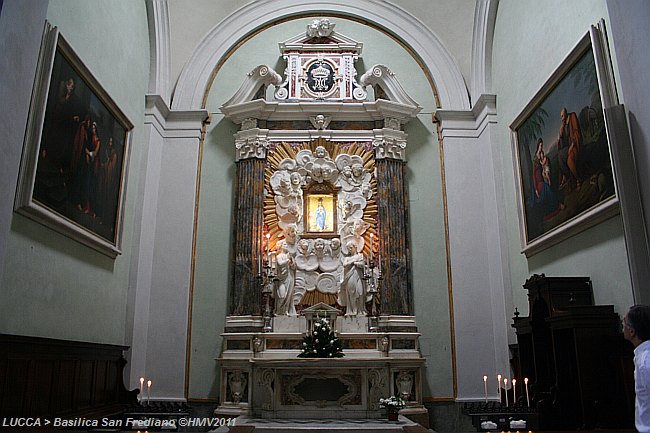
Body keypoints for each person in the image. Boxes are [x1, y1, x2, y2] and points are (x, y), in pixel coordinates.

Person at [623, 305, 650, 432]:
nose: (623, 327)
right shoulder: (643, 356)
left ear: (632, 331)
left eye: (624, 323)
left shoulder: (646, 361)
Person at [338, 241, 366, 316]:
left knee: (360, 292)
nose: (350, 249)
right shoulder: (347, 258)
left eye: (351, 247)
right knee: (352, 293)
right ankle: (353, 310)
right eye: (348, 248)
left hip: (358, 276)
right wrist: (353, 262)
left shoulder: (360, 256)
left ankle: (360, 310)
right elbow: (345, 264)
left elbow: (363, 265)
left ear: (355, 247)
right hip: (350, 277)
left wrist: (356, 263)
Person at [557, 107, 582, 189]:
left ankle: (578, 179)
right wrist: (561, 134)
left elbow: (576, 132)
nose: (562, 118)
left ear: (566, 114)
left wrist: (572, 145)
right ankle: (569, 177)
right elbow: (563, 142)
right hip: (568, 147)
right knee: (560, 155)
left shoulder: (572, 117)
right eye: (561, 117)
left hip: (575, 144)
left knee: (569, 161)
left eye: (562, 116)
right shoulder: (564, 125)